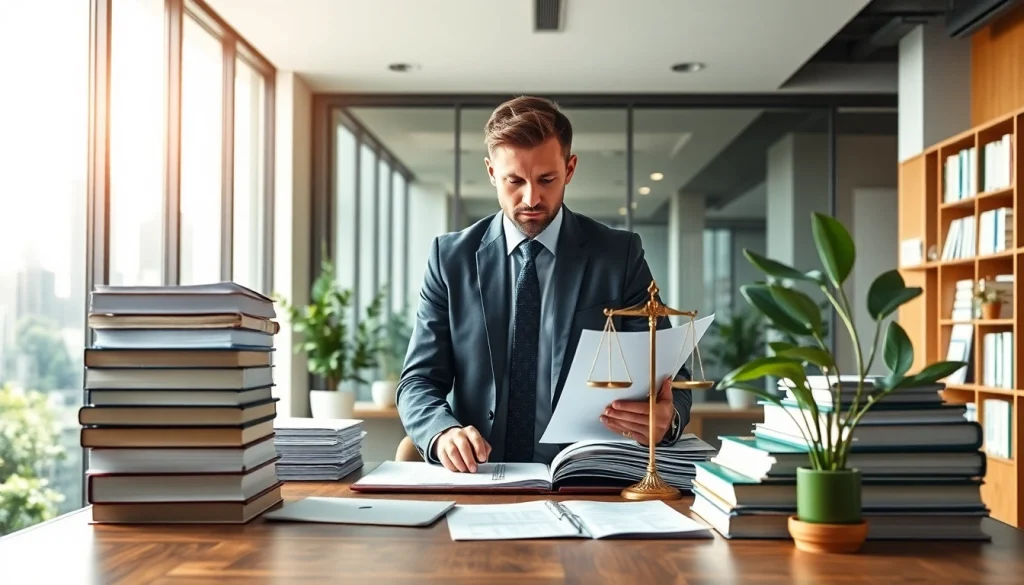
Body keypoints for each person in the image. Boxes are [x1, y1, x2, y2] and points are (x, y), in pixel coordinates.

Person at [396, 96, 692, 472]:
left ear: (570, 169)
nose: (531, 198)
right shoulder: (449, 259)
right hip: (478, 479)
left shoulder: (619, 256)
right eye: (514, 181)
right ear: (491, 172)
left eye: (546, 179)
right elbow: (418, 381)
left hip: (586, 479)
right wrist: (442, 433)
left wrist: (668, 421)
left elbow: (671, 374)